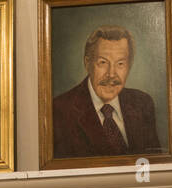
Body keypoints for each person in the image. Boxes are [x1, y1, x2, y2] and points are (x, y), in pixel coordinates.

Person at [51, 26, 161, 159]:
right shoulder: (59, 111)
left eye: (120, 64)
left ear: (129, 66)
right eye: (103, 62)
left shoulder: (143, 103)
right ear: (87, 63)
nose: (111, 74)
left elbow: (153, 167)